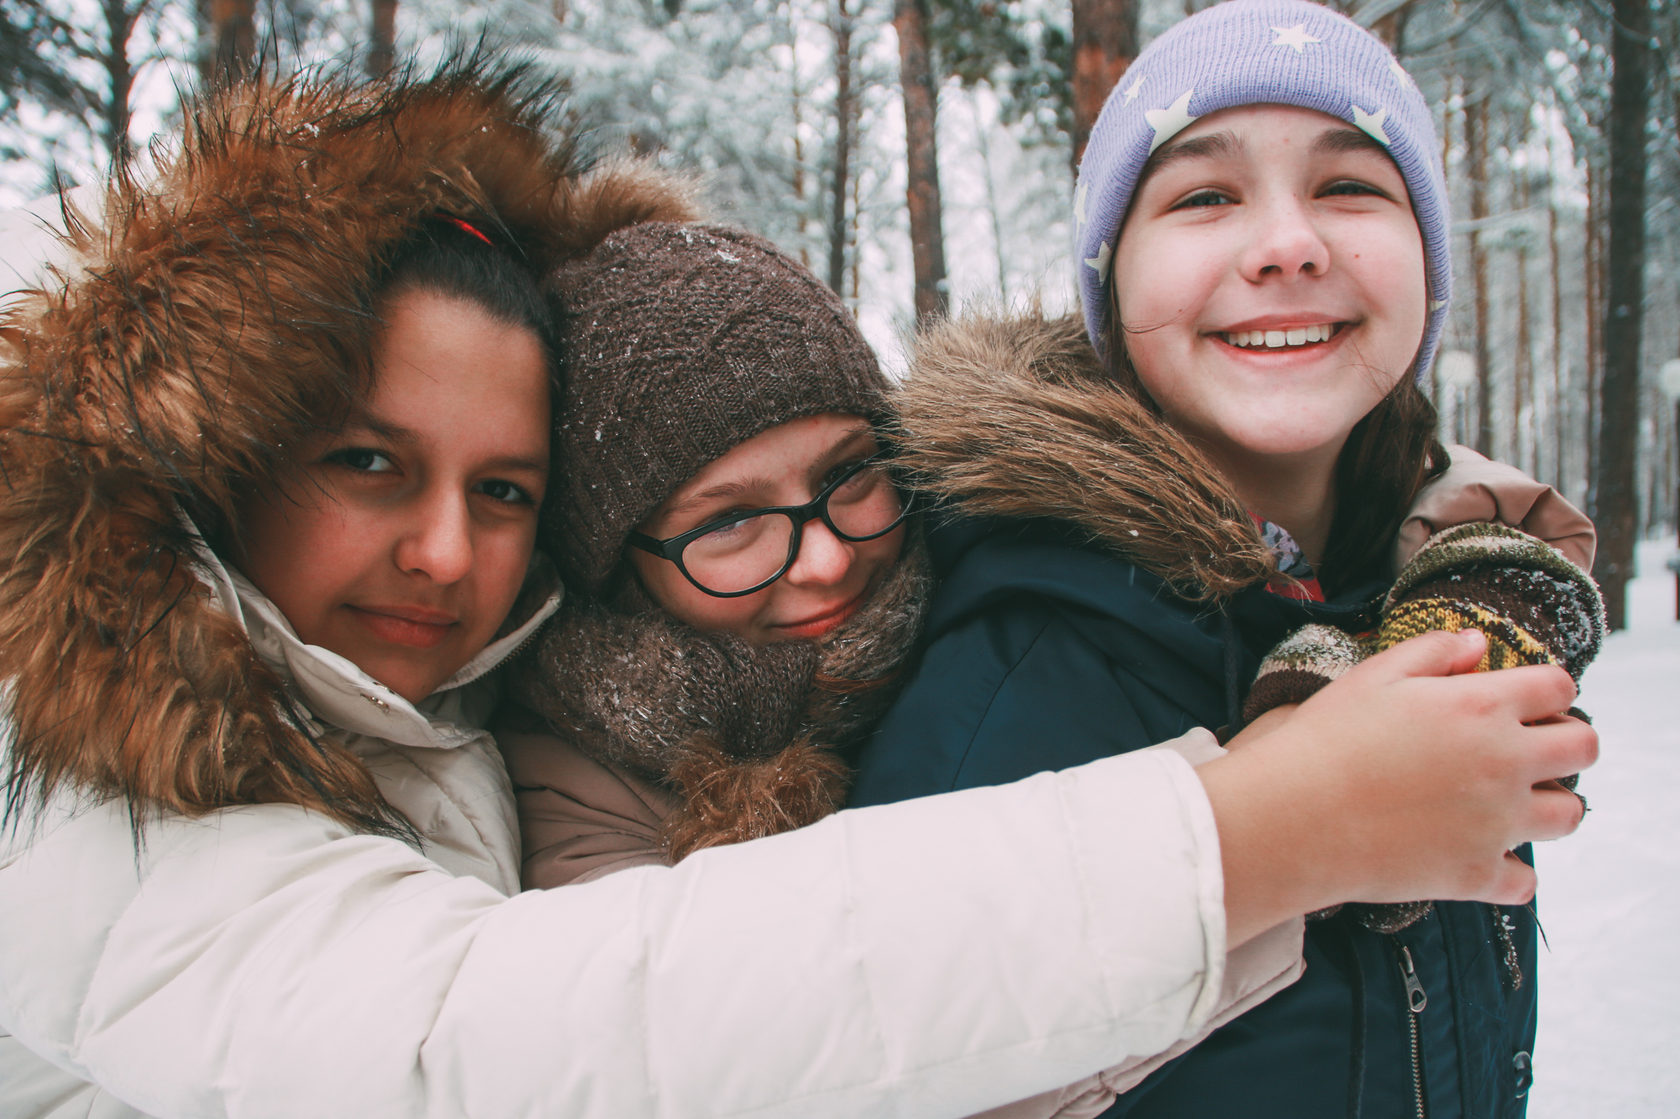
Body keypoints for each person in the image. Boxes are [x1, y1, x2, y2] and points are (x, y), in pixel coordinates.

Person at [0, 57, 1591, 1119]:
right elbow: (528, 1033)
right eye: (368, 463)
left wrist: (1452, 535)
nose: (442, 550)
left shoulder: (443, 695)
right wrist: (1254, 831)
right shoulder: (97, 798)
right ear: (219, 445)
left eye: (503, 492)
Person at [848, 2, 1602, 1116]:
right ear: (1114, 284)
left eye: (1351, 186)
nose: (1287, 243)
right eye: (1204, 196)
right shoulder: (1016, 670)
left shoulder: (1445, 596)